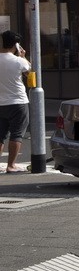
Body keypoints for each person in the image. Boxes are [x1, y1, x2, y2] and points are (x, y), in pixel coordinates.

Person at [0, 30, 31, 173]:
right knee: (16, 134)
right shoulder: (19, 61)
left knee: (1, 135)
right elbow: (30, 74)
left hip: (1, 103)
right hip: (18, 102)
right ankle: (11, 165)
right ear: (16, 45)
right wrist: (23, 56)